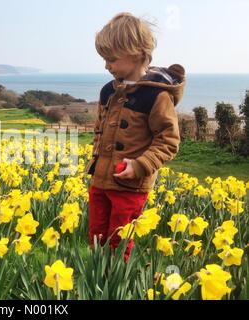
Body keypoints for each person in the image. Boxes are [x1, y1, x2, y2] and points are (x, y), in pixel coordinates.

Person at [86, 12, 186, 261]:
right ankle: (97, 281)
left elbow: (168, 141)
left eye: (111, 59)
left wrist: (140, 165)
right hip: (100, 180)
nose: (106, 65)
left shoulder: (157, 96)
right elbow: (99, 129)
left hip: (130, 185)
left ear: (136, 52)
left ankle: (115, 283)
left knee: (118, 241)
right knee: (96, 237)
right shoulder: (107, 91)